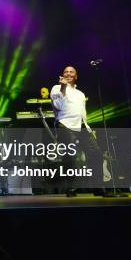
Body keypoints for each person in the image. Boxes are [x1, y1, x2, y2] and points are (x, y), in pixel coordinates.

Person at [50, 66, 108, 197]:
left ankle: (98, 187)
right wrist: (63, 88)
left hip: (82, 126)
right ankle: (71, 188)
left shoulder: (80, 94)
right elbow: (58, 106)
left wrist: (88, 128)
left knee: (96, 154)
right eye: (66, 72)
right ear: (62, 75)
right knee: (70, 156)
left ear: (76, 76)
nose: (68, 73)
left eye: (72, 72)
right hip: (65, 125)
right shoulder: (56, 88)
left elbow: (83, 113)